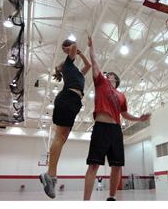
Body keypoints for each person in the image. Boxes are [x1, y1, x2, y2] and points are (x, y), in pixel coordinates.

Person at [83, 36, 151, 201]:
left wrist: (140, 119)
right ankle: (85, 201)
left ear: (115, 80)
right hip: (100, 127)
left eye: (110, 75)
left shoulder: (121, 95)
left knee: (117, 165)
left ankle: (112, 197)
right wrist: (91, 47)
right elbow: (94, 61)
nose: (107, 75)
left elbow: (124, 114)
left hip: (115, 130)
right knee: (94, 164)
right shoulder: (100, 83)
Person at [39, 39, 91, 199]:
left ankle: (49, 175)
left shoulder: (76, 72)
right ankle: (50, 175)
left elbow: (88, 66)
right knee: (60, 136)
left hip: (74, 102)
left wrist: (80, 52)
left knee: (63, 137)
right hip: (67, 97)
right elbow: (74, 46)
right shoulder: (68, 65)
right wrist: (70, 48)